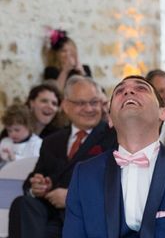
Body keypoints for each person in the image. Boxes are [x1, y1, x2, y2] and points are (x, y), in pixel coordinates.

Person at [62, 75, 165, 237]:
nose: (129, 91)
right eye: (119, 91)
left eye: (141, 88)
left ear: (163, 113)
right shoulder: (84, 175)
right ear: (110, 119)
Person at [8, 76, 117, 238]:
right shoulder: (52, 141)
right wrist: (38, 186)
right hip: (46, 217)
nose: (89, 109)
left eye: (94, 102)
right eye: (81, 103)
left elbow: (117, 184)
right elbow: (33, 180)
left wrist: (72, 197)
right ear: (65, 106)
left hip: (85, 218)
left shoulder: (114, 137)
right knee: (23, 204)